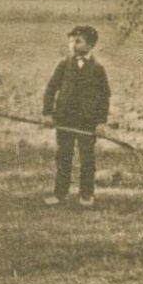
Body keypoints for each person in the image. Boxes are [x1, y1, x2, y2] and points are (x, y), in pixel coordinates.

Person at [41, 25, 111, 208]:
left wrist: (101, 122)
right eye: (71, 40)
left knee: (87, 158)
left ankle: (86, 195)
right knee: (63, 157)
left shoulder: (98, 69)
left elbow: (104, 97)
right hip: (64, 119)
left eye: (78, 41)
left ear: (90, 45)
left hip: (87, 122)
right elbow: (50, 89)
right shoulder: (64, 65)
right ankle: (60, 194)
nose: (72, 44)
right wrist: (48, 113)